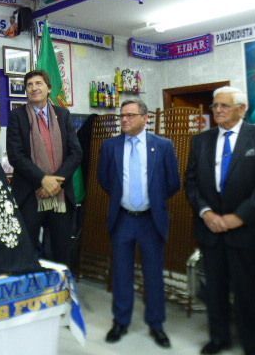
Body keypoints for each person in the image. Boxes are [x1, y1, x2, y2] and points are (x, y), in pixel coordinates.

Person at [186, 86, 255, 355]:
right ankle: (219, 338)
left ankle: (251, 344)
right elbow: (191, 183)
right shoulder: (200, 141)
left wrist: (239, 217)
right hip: (211, 230)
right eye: (215, 105)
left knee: (247, 292)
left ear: (242, 108)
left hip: (247, 231)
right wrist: (206, 213)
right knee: (214, 289)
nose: (217, 110)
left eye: (224, 106)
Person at [98, 99, 180, 348]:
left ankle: (156, 324)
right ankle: (120, 322)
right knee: (121, 273)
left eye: (130, 115)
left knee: (153, 274)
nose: (124, 119)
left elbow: (173, 183)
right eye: (122, 115)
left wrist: (151, 198)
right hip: (123, 218)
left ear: (145, 118)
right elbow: (105, 180)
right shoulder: (110, 146)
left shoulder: (163, 146)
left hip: (150, 219)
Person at [6, 70, 82, 265]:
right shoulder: (17, 116)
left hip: (60, 195)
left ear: (49, 88)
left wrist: (55, 182)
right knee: (26, 253)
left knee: (61, 254)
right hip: (30, 194)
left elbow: (76, 153)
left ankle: (60, 285)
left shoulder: (63, 115)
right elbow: (16, 155)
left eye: (38, 83)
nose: (34, 88)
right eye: (29, 85)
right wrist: (42, 180)